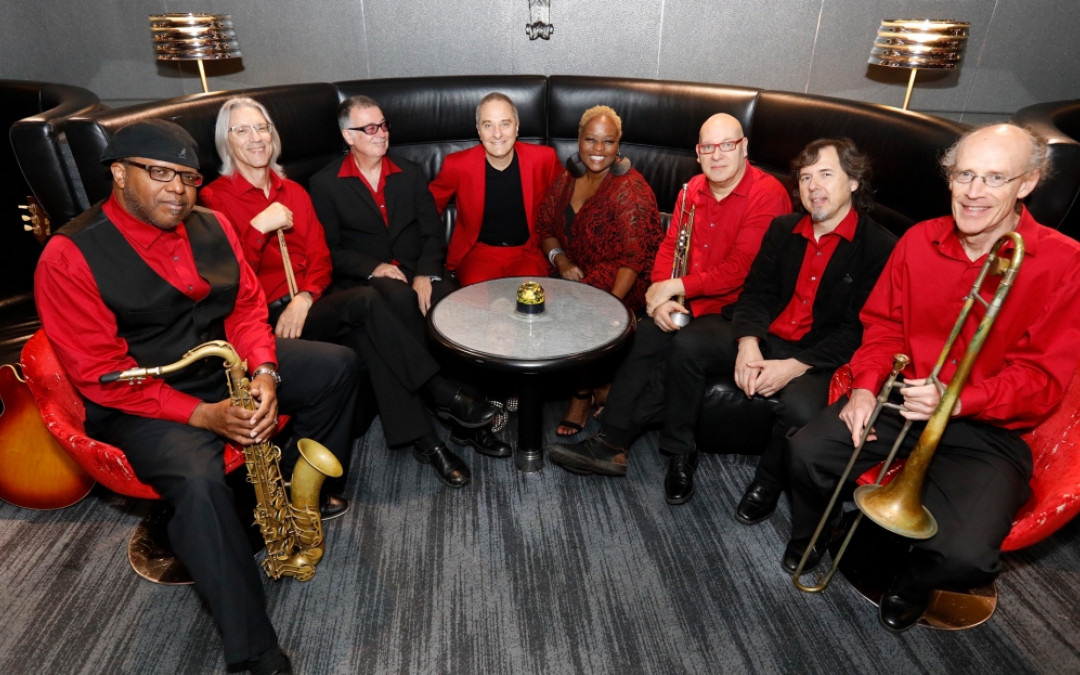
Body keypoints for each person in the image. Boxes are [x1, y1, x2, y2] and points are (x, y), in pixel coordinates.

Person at [34, 119, 361, 674]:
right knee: (199, 485)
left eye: (187, 177)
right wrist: (203, 415)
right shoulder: (68, 255)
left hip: (222, 367)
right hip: (142, 397)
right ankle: (253, 650)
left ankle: (285, 498)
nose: (178, 190)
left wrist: (264, 372)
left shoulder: (213, 223)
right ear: (119, 173)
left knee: (338, 367)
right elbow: (102, 374)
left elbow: (246, 307)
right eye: (160, 174)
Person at [784, 123, 1080, 633]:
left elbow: (1041, 380)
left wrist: (959, 400)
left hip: (986, 425)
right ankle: (816, 534)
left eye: (994, 177)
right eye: (964, 174)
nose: (974, 191)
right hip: (903, 400)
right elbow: (884, 326)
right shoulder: (919, 240)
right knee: (807, 452)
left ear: (1027, 183)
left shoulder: (1065, 261)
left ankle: (913, 583)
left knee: (968, 557)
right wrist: (864, 387)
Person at [199, 98, 504, 489]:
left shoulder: (294, 192)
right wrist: (258, 229)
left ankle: (428, 441)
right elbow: (227, 279)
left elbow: (321, 258)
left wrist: (305, 296)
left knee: (375, 334)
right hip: (261, 317)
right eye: (242, 130)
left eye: (261, 128)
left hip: (310, 303)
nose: (256, 137)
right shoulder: (214, 199)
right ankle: (442, 395)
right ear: (226, 141)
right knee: (369, 300)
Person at [545, 113, 791, 501]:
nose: (717, 155)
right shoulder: (692, 189)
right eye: (708, 147)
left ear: (744, 147)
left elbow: (741, 269)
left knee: (684, 347)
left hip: (740, 310)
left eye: (727, 145)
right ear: (698, 152)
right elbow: (669, 244)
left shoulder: (768, 195)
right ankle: (611, 443)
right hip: (689, 301)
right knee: (642, 334)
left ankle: (677, 452)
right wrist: (660, 295)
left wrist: (675, 287)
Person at [309, 95, 506, 467]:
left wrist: (425, 273)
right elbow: (329, 250)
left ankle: (466, 418)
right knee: (400, 300)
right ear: (348, 136)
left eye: (383, 125)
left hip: (418, 271)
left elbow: (432, 233)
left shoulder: (410, 172)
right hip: (366, 280)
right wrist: (374, 267)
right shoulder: (325, 183)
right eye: (370, 128)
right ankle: (445, 411)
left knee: (454, 305)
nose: (381, 133)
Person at [729, 139, 896, 523]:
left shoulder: (880, 247)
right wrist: (748, 342)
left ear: (853, 182)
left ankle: (767, 484)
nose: (813, 186)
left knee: (799, 407)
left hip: (822, 353)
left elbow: (858, 330)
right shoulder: (782, 228)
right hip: (770, 333)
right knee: (689, 345)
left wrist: (794, 366)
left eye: (825, 174)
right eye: (805, 178)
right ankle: (677, 453)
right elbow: (755, 293)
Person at [534, 105, 663, 435]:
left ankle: (581, 394)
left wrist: (613, 305)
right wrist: (561, 261)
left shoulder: (630, 190)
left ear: (619, 144)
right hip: (576, 272)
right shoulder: (567, 179)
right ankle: (602, 384)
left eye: (608, 141)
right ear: (578, 140)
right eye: (591, 139)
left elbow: (634, 259)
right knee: (533, 301)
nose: (598, 149)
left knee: (582, 310)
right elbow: (545, 228)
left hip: (623, 279)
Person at [428, 92, 562, 285]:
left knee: (528, 296)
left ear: (517, 126)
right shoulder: (457, 165)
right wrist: (428, 255)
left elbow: (568, 201)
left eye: (505, 124)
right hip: (478, 254)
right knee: (477, 298)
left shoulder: (544, 160)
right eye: (488, 125)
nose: (497, 134)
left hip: (528, 252)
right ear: (479, 130)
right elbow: (428, 208)